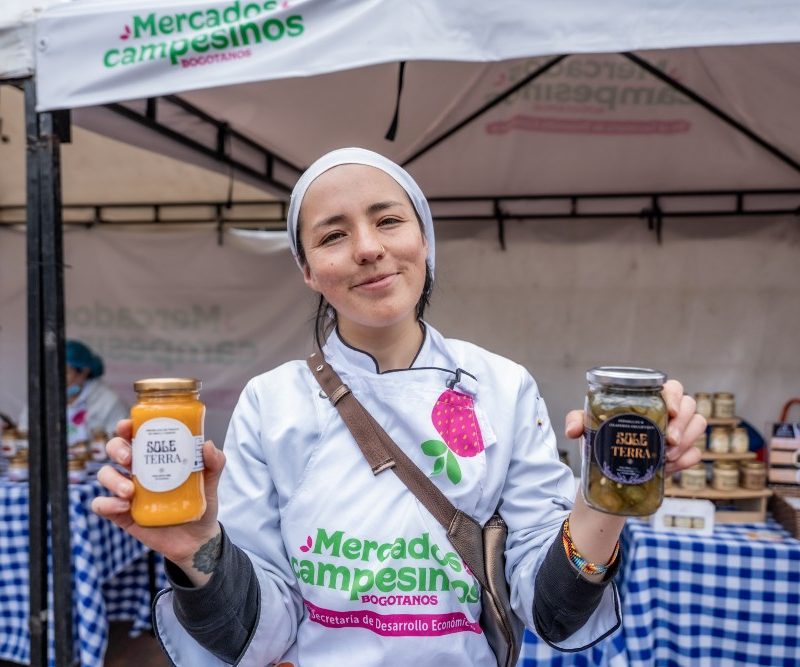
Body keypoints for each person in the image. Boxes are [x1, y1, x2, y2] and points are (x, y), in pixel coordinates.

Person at [92, 148, 705, 667]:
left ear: (424, 239)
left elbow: (550, 611)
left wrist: (607, 492)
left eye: (388, 221)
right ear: (307, 270)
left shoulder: (502, 387)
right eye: (333, 235)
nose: (367, 248)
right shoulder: (271, 402)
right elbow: (258, 636)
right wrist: (198, 550)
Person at [19, 339, 128, 438]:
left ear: (84, 372)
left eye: (64, 372)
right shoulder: (40, 398)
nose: (56, 377)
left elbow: (119, 441)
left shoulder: (108, 402)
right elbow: (24, 433)